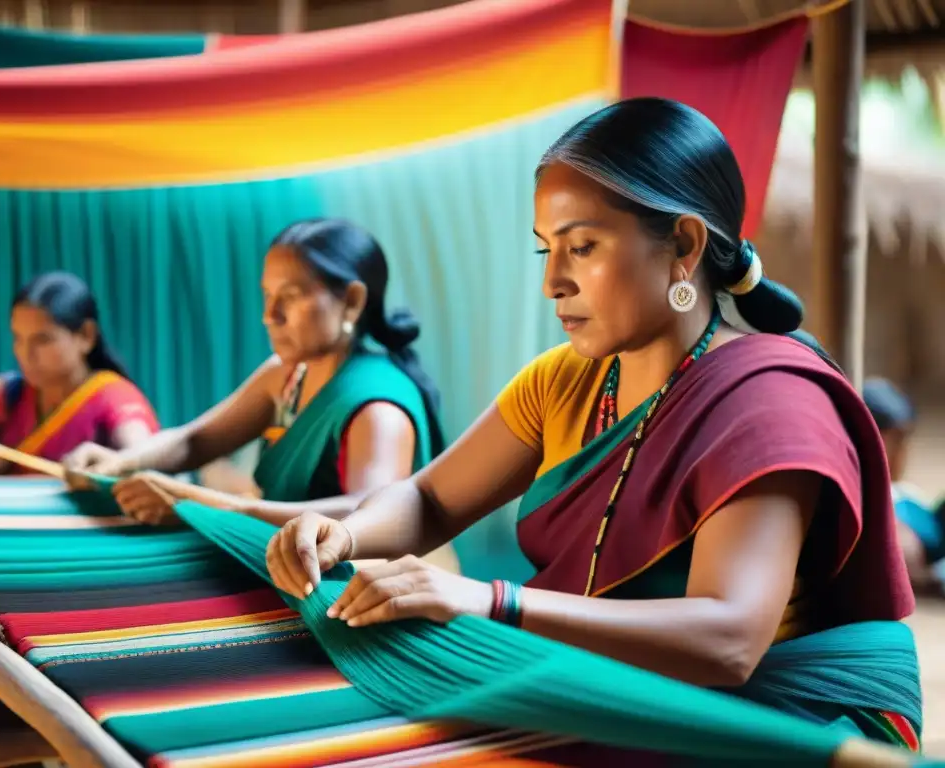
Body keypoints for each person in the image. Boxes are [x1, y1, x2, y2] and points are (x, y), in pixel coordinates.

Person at [266, 98, 922, 761]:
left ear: (684, 248)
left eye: (582, 247)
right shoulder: (564, 382)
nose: (553, 281)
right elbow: (430, 500)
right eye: (546, 250)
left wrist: (490, 601)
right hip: (624, 688)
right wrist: (346, 533)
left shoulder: (769, 402)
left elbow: (729, 640)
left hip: (774, 718)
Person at [63, 218, 449, 542]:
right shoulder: (288, 373)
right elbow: (195, 440)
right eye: (267, 295)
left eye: (291, 297)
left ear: (351, 300)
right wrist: (116, 464)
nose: (270, 314)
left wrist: (202, 506)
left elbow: (370, 516)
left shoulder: (378, 408)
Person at [0, 271, 159, 477]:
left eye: (43, 340)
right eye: (18, 338)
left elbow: (141, 462)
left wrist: (114, 465)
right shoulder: (3, 395)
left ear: (85, 335)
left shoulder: (116, 398)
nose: (26, 354)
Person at [864, 377, 944, 593]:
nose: (903, 453)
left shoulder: (904, 493)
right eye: (897, 440)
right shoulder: (871, 502)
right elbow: (906, 555)